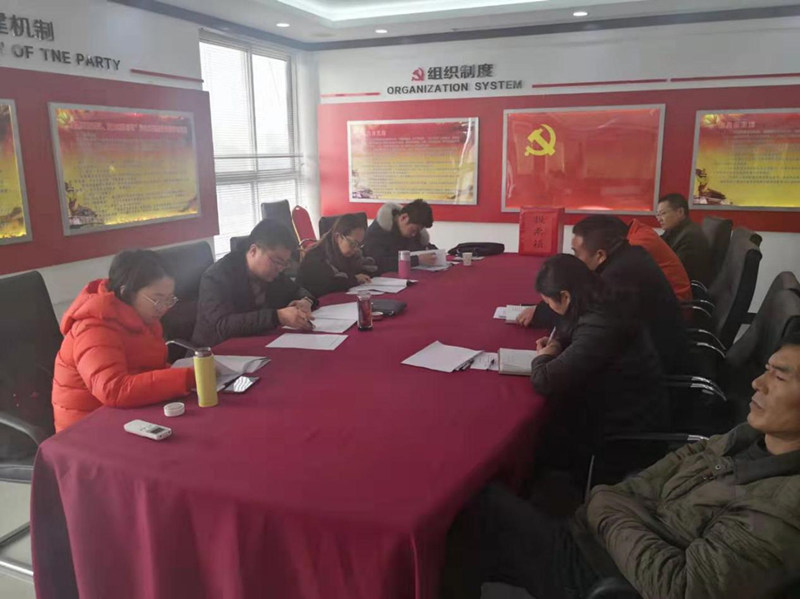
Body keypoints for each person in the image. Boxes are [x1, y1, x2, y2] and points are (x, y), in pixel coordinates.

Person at [450, 331, 800, 599]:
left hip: (607, 573)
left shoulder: (784, 506)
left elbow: (680, 588)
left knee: (472, 509)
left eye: (780, 377)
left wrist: (606, 509)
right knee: (481, 517)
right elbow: (678, 461)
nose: (757, 383)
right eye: (766, 370)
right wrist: (618, 506)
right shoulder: (749, 437)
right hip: (618, 533)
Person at [530, 254, 668, 473]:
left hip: (623, 419)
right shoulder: (602, 295)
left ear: (565, 296)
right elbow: (576, 332)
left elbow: (544, 380)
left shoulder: (601, 323)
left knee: (539, 435)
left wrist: (544, 356)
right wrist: (558, 343)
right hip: (625, 397)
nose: (549, 308)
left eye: (549, 303)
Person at [517, 215, 689, 374]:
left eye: (577, 253)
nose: (575, 261)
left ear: (600, 255)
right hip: (653, 351)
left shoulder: (617, 278)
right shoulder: (627, 256)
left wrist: (549, 353)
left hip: (658, 361)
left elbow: (584, 315)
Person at [51, 250, 194, 432]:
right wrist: (187, 377)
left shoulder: (142, 316)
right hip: (86, 431)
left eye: (169, 299)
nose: (164, 308)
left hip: (126, 416)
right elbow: (113, 389)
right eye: (157, 299)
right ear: (126, 292)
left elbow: (145, 368)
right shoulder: (94, 327)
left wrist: (187, 372)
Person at [192, 220, 317, 348]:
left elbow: (297, 290)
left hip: (258, 343)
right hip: (216, 351)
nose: (280, 268)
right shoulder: (217, 276)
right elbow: (222, 326)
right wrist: (277, 317)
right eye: (277, 261)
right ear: (253, 250)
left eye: (284, 263)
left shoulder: (272, 273)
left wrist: (306, 301)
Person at [297, 214, 377, 298]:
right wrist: (354, 279)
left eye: (359, 245)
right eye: (353, 244)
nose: (356, 249)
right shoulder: (315, 257)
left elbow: (364, 268)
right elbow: (327, 286)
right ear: (337, 237)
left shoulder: (350, 255)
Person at [363, 199, 437, 274]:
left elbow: (424, 247)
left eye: (417, 231)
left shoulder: (411, 231)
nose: (414, 235)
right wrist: (417, 260)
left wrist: (435, 253)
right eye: (413, 230)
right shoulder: (376, 232)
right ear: (404, 218)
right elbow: (379, 262)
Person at [627, 218, 692, 301]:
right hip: (677, 294)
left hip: (675, 301)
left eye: (663, 213)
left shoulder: (637, 243)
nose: (659, 219)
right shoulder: (641, 230)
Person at [657, 192, 712, 285]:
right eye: (658, 215)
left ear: (680, 212)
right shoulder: (673, 230)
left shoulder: (691, 237)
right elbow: (657, 244)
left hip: (683, 288)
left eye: (663, 213)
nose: (659, 219)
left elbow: (677, 272)